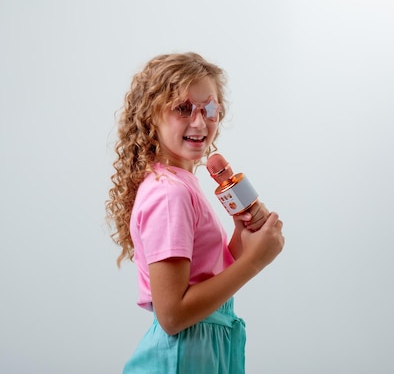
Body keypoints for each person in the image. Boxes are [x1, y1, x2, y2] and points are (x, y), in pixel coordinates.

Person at [106, 52, 285, 374]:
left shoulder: (180, 183)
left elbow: (202, 277)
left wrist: (241, 240)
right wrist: (254, 261)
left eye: (210, 108)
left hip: (201, 351)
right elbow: (173, 316)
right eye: (183, 108)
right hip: (183, 357)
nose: (200, 121)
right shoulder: (169, 192)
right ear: (150, 116)